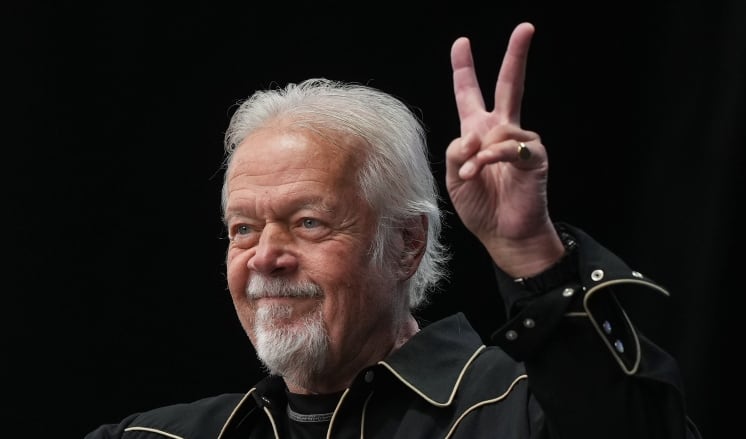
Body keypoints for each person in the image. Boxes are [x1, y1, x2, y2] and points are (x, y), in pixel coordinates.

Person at [85, 22, 702, 438]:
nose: (266, 257)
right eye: (243, 229)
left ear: (407, 244)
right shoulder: (157, 436)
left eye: (308, 223)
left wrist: (529, 253)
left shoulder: (513, 411)